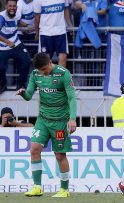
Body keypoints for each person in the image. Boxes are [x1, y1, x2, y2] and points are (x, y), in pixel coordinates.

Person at [16, 52, 77, 198]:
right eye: (40, 70)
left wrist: (72, 119)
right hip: (42, 119)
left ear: (50, 62)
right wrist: (23, 93)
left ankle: (64, 189)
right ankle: (37, 187)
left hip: (60, 122)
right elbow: (29, 95)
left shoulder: (64, 74)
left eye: (44, 69)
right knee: (34, 149)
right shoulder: (36, 74)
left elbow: (72, 98)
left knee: (60, 155)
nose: (42, 73)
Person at [0, 0, 31, 94]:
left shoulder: (17, 14)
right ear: (6, 6)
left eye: (14, 6)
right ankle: (2, 86)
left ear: (16, 7)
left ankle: (21, 85)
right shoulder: (1, 16)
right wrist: (7, 42)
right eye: (10, 6)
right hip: (3, 46)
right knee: (1, 68)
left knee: (26, 60)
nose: (12, 8)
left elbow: (17, 21)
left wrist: (25, 27)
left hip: (16, 43)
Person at [34, 0, 72, 68]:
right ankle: (49, 78)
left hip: (60, 31)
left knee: (62, 57)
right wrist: (37, 33)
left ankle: (60, 78)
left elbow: (66, 9)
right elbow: (37, 17)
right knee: (45, 60)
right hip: (46, 32)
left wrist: (69, 25)